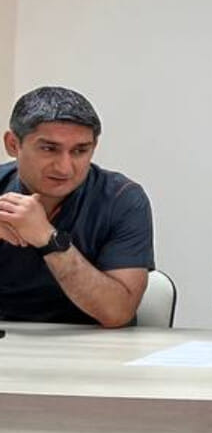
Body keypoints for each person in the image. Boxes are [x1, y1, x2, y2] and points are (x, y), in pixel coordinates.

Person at [0, 85, 152, 327]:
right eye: (49, 149)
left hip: (92, 342)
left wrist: (49, 239)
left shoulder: (121, 198)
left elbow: (117, 312)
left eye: (80, 151)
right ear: (12, 144)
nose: (64, 168)